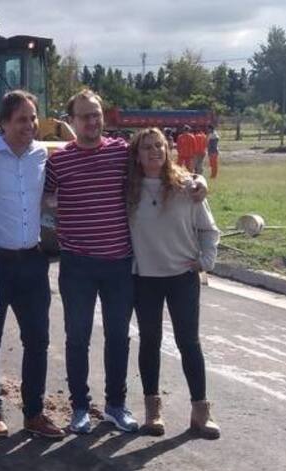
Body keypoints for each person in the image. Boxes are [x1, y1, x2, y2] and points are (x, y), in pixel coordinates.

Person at [43, 89, 139, 434]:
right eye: (84, 115)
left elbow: (161, 174)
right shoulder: (58, 162)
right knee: (77, 337)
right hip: (77, 265)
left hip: (118, 263)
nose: (92, 120)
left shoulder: (122, 153)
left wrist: (196, 181)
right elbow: (42, 199)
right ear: (71, 121)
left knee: (118, 336)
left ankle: (116, 405)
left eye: (96, 113)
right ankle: (80, 407)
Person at [0, 90, 67, 440]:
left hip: (33, 261)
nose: (29, 125)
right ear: (3, 123)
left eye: (32, 118)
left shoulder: (42, 154)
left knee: (38, 340)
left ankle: (34, 413)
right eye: (21, 119)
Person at [127, 128, 221, 439]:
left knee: (188, 343)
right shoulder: (128, 191)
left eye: (159, 145)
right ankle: (153, 410)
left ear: (167, 149)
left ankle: (200, 411)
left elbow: (209, 230)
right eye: (146, 147)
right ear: (137, 155)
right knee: (150, 342)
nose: (154, 151)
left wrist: (206, 261)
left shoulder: (188, 187)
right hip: (145, 279)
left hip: (182, 278)